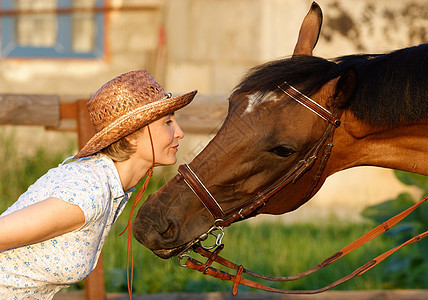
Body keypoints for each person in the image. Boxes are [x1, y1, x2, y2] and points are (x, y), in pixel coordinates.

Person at [0, 70, 197, 299]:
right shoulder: (89, 193)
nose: (180, 133)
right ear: (132, 134)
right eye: (168, 122)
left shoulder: (111, 187)